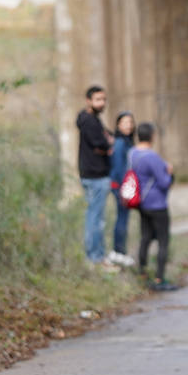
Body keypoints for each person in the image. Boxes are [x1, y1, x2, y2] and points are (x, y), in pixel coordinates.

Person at [130, 122, 177, 290]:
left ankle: (141, 272)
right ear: (151, 136)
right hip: (157, 204)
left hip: (141, 203)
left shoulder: (132, 153)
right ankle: (159, 279)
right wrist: (169, 173)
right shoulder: (152, 157)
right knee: (163, 241)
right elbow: (164, 182)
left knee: (145, 237)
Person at [77, 85, 113, 266]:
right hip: (95, 175)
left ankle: (97, 256)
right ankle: (94, 258)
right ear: (88, 101)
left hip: (94, 175)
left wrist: (108, 142)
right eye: (98, 99)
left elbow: (107, 140)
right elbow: (101, 144)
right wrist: (107, 145)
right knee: (95, 219)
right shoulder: (89, 121)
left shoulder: (94, 120)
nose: (102, 103)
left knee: (97, 218)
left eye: (104, 99)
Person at [108, 111, 137, 267]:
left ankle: (120, 251)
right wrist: (122, 190)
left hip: (124, 186)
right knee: (122, 218)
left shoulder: (127, 141)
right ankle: (118, 252)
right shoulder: (120, 143)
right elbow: (118, 168)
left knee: (123, 218)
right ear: (118, 125)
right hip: (120, 186)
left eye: (131, 122)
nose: (129, 125)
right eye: (125, 122)